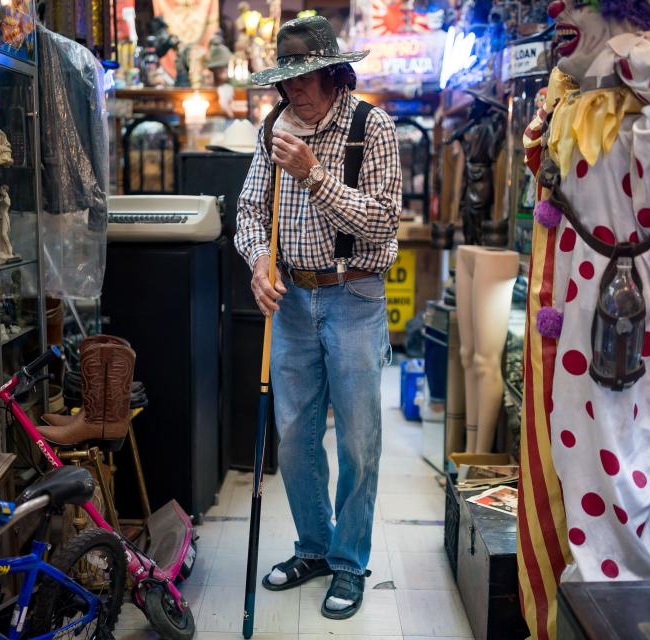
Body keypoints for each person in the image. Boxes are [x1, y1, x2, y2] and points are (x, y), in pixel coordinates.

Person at [233, 15, 401, 620]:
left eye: (305, 77)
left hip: (355, 299)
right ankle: (314, 548)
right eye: (287, 80)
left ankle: (351, 563)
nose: (293, 91)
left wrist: (314, 173)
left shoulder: (371, 127)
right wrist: (258, 264)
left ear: (332, 72)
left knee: (359, 440)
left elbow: (382, 222)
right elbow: (250, 210)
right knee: (295, 440)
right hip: (293, 303)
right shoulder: (273, 127)